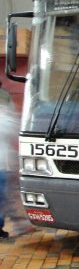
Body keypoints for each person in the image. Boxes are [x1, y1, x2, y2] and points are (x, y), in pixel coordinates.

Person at [0, 81, 18, 238]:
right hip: (2, 165)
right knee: (3, 198)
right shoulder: (5, 114)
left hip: (3, 163)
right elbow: (13, 129)